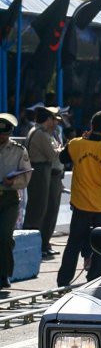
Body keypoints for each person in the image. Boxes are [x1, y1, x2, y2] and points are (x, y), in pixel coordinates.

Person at [56, 111, 101, 287]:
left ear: (91, 126)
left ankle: (63, 280)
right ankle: (94, 278)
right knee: (100, 245)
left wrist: (81, 139)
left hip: (81, 205)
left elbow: (62, 158)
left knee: (73, 244)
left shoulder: (76, 144)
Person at [23, 106, 65, 259]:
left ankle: (43, 244)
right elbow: (52, 154)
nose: (56, 123)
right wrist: (60, 149)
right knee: (38, 209)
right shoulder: (40, 134)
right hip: (40, 170)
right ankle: (34, 245)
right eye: (54, 120)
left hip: (47, 172)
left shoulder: (46, 134)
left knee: (46, 209)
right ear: (48, 119)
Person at [0, 114, 32, 291]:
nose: (1, 138)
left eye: (5, 135)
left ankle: (4, 275)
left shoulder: (19, 151)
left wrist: (14, 182)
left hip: (9, 198)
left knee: (4, 236)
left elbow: (26, 175)